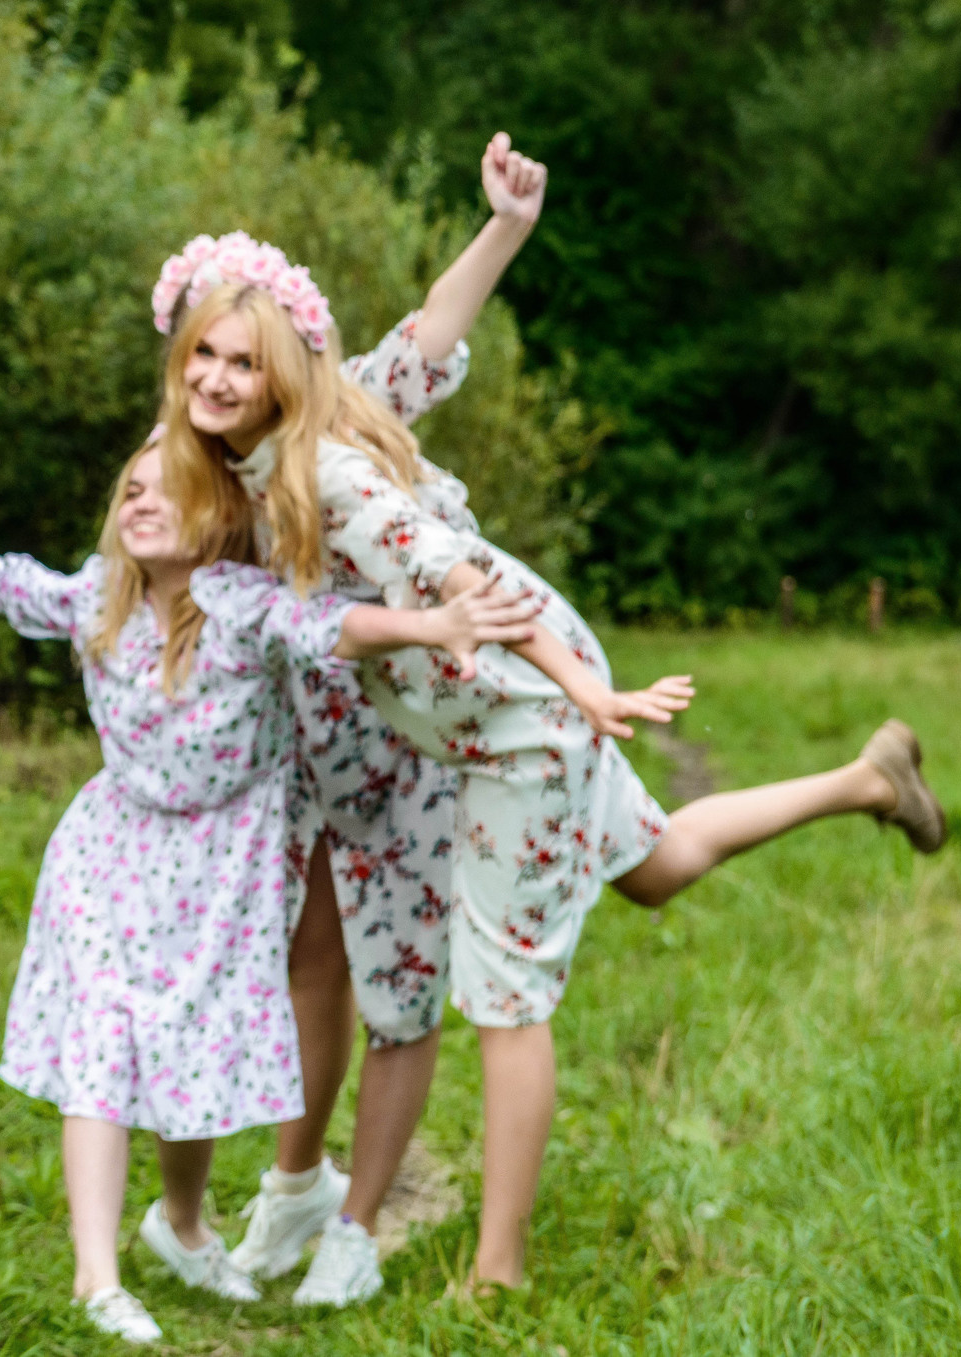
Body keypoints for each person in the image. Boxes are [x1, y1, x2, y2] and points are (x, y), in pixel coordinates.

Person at [151, 236, 948, 1293]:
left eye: (242, 360)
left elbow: (463, 568)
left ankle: (497, 1275)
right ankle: (870, 779)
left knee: (505, 994)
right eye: (203, 353)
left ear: (282, 371)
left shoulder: (328, 471)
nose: (216, 376)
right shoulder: (248, 457)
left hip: (521, 717)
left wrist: (584, 692)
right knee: (655, 869)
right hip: (493, 709)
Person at [0, 444, 541, 1343]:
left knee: (188, 1051)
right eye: (133, 489)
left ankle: (182, 1225)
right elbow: (20, 586)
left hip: (226, 866)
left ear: (218, 515)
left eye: (169, 490)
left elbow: (336, 629)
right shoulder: (100, 593)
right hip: (113, 850)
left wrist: (435, 625)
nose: (143, 501)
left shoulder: (237, 601)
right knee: (105, 1044)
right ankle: (95, 1278)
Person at [228, 134, 552, 1306]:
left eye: (259, 350)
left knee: (400, 987)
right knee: (310, 966)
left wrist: (504, 225)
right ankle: (297, 1182)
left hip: (409, 746)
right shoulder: (214, 471)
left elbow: (433, 326)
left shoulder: (349, 416)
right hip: (302, 761)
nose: (236, 372)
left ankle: (359, 1223)